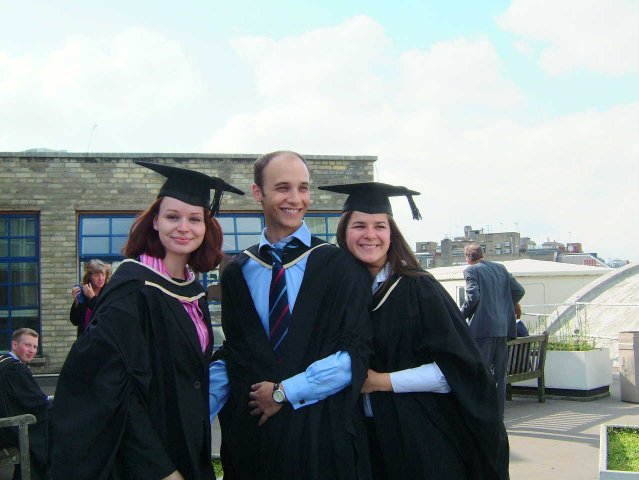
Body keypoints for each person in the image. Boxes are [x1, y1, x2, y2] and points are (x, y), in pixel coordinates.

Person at [49, 161, 243, 480]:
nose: (184, 227)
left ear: (206, 226)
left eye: (195, 218)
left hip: (187, 446)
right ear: (155, 221)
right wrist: (160, 469)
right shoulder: (132, 288)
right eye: (172, 216)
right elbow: (110, 386)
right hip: (145, 459)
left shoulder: (193, 290)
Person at [320, 181, 510, 479]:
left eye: (379, 226)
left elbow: (456, 371)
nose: (370, 235)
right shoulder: (339, 293)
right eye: (359, 226)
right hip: (363, 440)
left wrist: (380, 381)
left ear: (391, 233)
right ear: (344, 232)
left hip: (418, 437)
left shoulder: (419, 289)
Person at [211, 150, 373, 479]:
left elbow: (355, 353)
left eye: (303, 188)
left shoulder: (340, 266)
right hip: (255, 440)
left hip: (320, 436)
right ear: (258, 192)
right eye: (283, 187)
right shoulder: (237, 271)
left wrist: (284, 392)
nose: (296, 199)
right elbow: (236, 353)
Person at [461, 243, 526, 418]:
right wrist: (505, 306)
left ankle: (481, 415)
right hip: (502, 328)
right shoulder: (501, 269)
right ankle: (498, 417)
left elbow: (473, 297)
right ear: (483, 255)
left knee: (480, 373)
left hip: (482, 329)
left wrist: (459, 317)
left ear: (468, 258)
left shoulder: (471, 270)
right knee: (499, 375)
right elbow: (519, 291)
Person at [0, 328, 51, 480]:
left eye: (35, 347)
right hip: (6, 428)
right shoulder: (15, 370)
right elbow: (36, 402)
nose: (32, 351)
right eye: (27, 345)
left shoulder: (3, 361)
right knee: (52, 428)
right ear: (14, 345)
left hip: (4, 421)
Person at [69, 259, 112, 337]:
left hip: (102, 339)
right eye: (96, 275)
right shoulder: (84, 293)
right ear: (89, 277)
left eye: (103, 275)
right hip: (85, 340)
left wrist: (92, 298)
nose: (101, 278)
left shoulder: (109, 293)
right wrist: (77, 302)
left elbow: (105, 318)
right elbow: (75, 321)